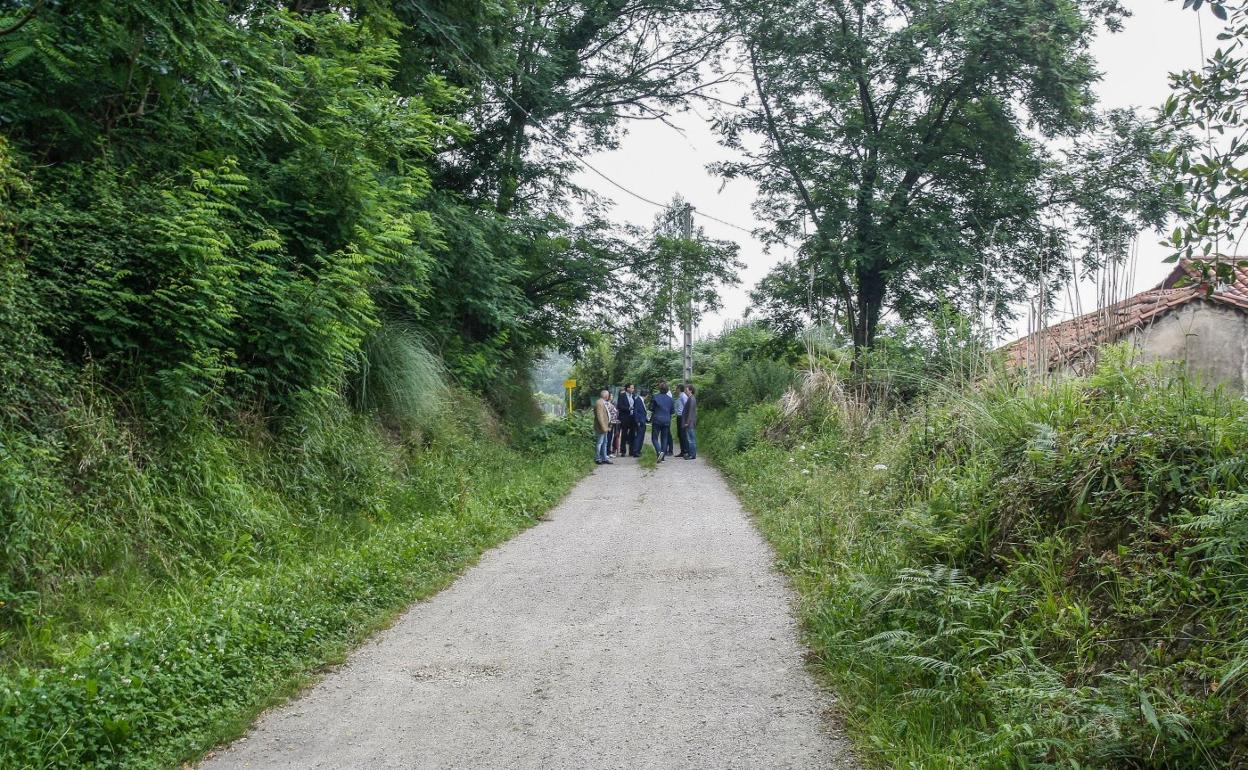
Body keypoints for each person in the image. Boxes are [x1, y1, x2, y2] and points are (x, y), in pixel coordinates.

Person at [649, 381, 674, 461]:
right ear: (667, 390)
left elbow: (651, 408)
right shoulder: (670, 399)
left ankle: (659, 451)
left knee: (654, 438)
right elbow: (672, 411)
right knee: (664, 438)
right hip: (667, 420)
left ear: (659, 389)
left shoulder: (655, 397)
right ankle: (662, 456)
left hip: (657, 420)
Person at [616, 383, 638, 457]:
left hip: (632, 417)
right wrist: (628, 408)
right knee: (624, 434)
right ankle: (623, 451)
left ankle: (631, 451)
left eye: (633, 388)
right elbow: (619, 406)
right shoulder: (622, 396)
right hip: (624, 417)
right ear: (627, 388)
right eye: (632, 388)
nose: (633, 389)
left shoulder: (634, 396)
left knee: (632, 434)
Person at [593, 390, 613, 465]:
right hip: (601, 427)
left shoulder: (603, 402)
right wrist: (604, 428)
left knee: (604, 442)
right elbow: (600, 417)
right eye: (608, 395)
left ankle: (604, 457)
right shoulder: (599, 403)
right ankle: (598, 458)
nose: (608, 397)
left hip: (604, 427)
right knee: (600, 443)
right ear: (606, 396)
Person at [630, 387, 649, 458]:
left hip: (643, 421)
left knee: (641, 436)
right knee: (639, 436)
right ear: (646, 395)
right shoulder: (638, 400)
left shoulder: (640, 400)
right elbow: (636, 411)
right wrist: (637, 421)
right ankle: (636, 451)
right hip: (640, 422)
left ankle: (638, 450)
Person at [680, 384, 697, 460]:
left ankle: (692, 455)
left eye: (686, 390)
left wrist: (687, 421)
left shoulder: (692, 399)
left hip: (690, 423)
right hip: (690, 422)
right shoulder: (690, 398)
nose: (685, 392)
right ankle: (691, 453)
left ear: (690, 390)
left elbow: (690, 412)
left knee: (691, 439)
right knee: (690, 439)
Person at [674, 382, 689, 457]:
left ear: (679, 389)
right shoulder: (680, 396)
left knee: (683, 434)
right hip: (679, 417)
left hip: (682, 417)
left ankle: (686, 451)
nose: (675, 390)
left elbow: (686, 407)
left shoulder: (683, 396)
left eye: (676, 388)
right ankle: (682, 451)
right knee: (680, 434)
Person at [606, 392, 620, 458]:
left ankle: (608, 451)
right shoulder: (607, 404)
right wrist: (610, 423)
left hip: (613, 423)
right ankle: (607, 452)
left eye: (612, 396)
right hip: (609, 423)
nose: (612, 397)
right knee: (608, 438)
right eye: (610, 396)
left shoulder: (612, 404)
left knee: (610, 437)